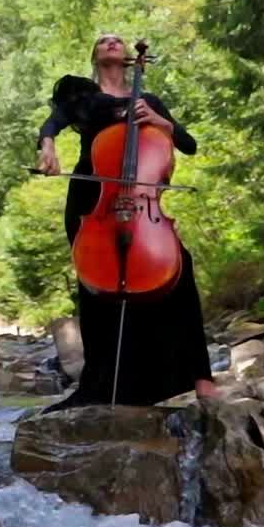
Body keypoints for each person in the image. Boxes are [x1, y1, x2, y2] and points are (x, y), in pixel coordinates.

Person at [36, 32, 218, 406]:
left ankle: (201, 379)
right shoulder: (83, 97)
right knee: (98, 288)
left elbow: (189, 144)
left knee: (179, 269)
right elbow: (52, 124)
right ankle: (102, 384)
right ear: (96, 55)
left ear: (130, 59)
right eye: (103, 40)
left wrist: (158, 121)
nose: (112, 42)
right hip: (94, 200)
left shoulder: (148, 101)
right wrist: (48, 148)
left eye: (117, 39)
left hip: (143, 203)